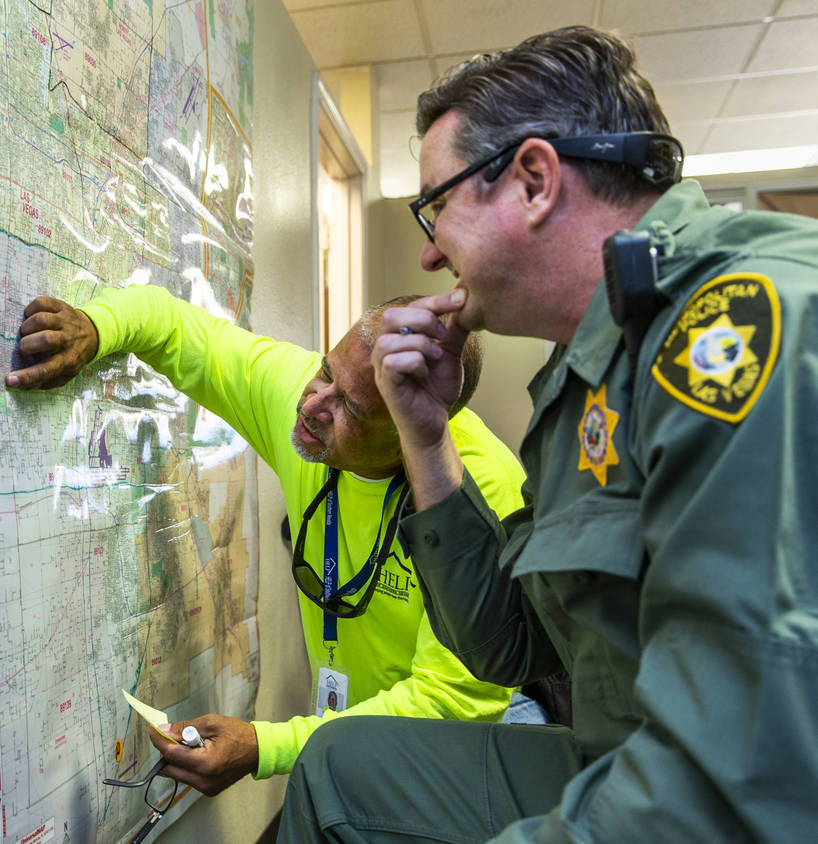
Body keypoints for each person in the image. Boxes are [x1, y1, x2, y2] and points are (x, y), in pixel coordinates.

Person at [277, 24, 818, 842]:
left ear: (533, 181)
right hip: (629, 753)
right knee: (340, 764)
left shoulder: (735, 327)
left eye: (435, 210)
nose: (428, 259)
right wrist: (425, 442)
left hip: (730, 793)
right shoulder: (590, 362)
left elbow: (735, 776)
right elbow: (510, 643)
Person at [5, 283, 527, 796]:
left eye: (351, 409)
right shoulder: (306, 394)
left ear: (413, 429)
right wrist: (95, 327)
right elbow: (178, 330)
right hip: (360, 734)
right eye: (326, 371)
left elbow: (454, 702)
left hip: (469, 750)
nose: (313, 406)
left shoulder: (482, 495)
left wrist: (264, 747)